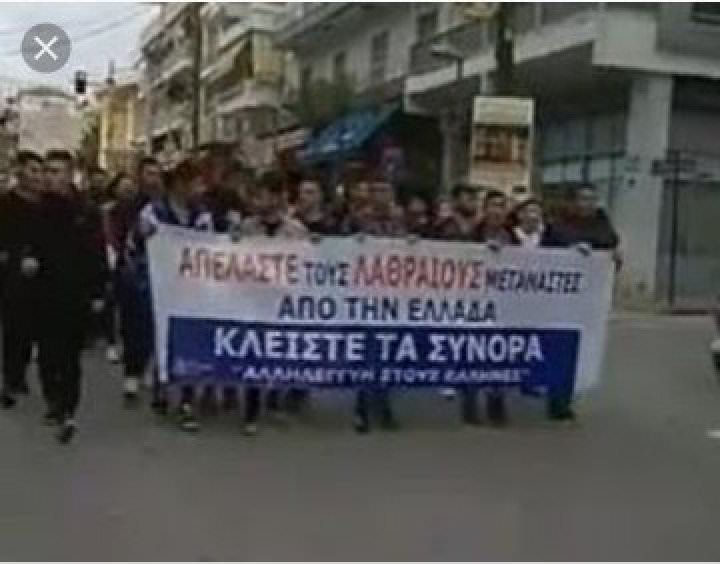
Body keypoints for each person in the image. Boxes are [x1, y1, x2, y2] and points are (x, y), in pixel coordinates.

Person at [132, 158, 213, 431]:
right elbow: (136, 245)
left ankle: (187, 400)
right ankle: (162, 385)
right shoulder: (153, 212)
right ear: (181, 184)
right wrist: (143, 236)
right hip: (160, 286)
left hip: (191, 289)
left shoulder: (202, 215)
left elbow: (209, 247)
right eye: (196, 184)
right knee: (162, 338)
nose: (200, 190)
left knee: (188, 340)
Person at [35, 149, 107, 443]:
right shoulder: (38, 209)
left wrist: (98, 290)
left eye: (56, 172)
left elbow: (97, 252)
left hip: (75, 293)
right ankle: (53, 398)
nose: (49, 178)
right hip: (43, 291)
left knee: (70, 355)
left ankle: (68, 408)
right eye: (47, 171)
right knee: (48, 353)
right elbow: (26, 243)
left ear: (69, 175)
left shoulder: (85, 211)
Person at [239, 172, 308, 436]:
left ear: (278, 198)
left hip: (282, 300)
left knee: (278, 350)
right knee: (253, 351)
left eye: (264, 195)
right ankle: (251, 409)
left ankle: (276, 399)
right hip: (253, 298)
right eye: (257, 196)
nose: (259, 201)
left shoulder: (296, 231)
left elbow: (307, 262)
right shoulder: (246, 227)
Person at [544, 184, 621, 421]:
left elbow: (610, 250)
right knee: (560, 347)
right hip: (560, 301)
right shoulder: (558, 226)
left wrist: (612, 258)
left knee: (581, 350)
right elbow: (545, 256)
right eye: (583, 199)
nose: (588, 204)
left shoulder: (603, 226)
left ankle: (567, 397)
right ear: (572, 202)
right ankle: (556, 399)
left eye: (592, 199)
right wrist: (572, 251)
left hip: (588, 301)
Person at [351, 177, 406, 433]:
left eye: (386, 191)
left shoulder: (400, 220)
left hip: (393, 295)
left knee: (388, 353)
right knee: (368, 353)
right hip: (366, 294)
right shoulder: (358, 219)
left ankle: (384, 405)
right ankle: (362, 409)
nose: (382, 196)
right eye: (378, 191)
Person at [463, 189, 513, 427]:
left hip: (503, 306)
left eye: (501, 206)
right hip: (475, 305)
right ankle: (470, 407)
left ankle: (496, 405)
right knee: (472, 356)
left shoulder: (512, 237)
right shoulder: (472, 235)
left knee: (499, 356)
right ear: (485, 209)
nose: (497, 211)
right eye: (493, 205)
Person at [0, 151, 45, 408]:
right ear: (20, 172)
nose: (37, 177)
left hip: (40, 274)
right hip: (11, 273)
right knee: (13, 327)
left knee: (31, 327)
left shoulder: (44, 205)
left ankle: (20, 371)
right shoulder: (6, 203)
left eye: (39, 171)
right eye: (32, 170)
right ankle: (11, 377)